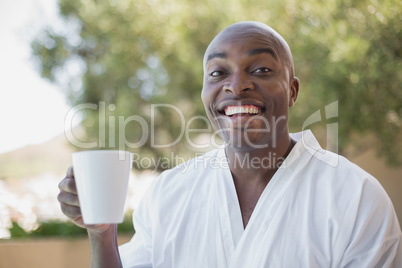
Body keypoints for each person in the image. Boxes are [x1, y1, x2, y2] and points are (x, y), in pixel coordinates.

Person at [57, 21, 402, 267]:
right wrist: (102, 234)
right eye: (218, 73)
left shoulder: (356, 198)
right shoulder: (169, 194)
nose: (237, 86)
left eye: (261, 70)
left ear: (293, 90)